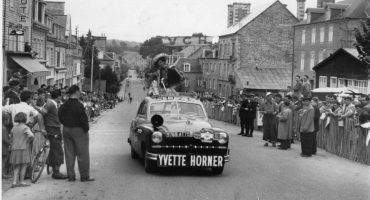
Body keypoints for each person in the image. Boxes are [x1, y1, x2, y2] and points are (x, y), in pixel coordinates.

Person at [58, 85, 94, 182]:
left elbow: (60, 116)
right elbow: (83, 119)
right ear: (77, 92)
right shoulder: (79, 105)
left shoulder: (64, 105)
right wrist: (86, 128)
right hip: (79, 130)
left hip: (66, 129)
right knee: (83, 154)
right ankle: (84, 175)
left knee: (69, 153)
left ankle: (71, 175)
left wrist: (65, 124)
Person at [33, 89, 68, 179]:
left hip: (53, 127)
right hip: (52, 128)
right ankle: (56, 172)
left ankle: (53, 166)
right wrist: (36, 107)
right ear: (59, 96)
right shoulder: (50, 103)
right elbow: (43, 113)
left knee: (54, 149)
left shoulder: (52, 103)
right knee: (58, 150)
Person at [9, 112, 34, 188]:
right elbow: (31, 135)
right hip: (23, 148)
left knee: (16, 166)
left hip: (14, 149)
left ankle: (14, 182)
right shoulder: (25, 127)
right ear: (25, 119)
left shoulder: (14, 128)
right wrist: (29, 141)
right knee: (24, 165)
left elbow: (11, 137)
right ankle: (21, 181)